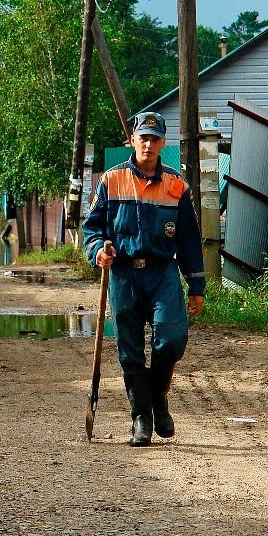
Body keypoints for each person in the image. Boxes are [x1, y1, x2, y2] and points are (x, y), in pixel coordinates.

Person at [82, 112, 205, 446]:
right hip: (123, 274)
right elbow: (91, 228)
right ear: (133, 141)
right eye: (143, 138)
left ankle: (158, 396)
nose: (148, 144)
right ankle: (141, 418)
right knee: (130, 350)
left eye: (155, 138)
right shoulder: (111, 180)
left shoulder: (176, 184)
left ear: (163, 143)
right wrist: (98, 251)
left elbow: (190, 239)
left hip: (162, 271)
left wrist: (196, 285)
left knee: (172, 339)